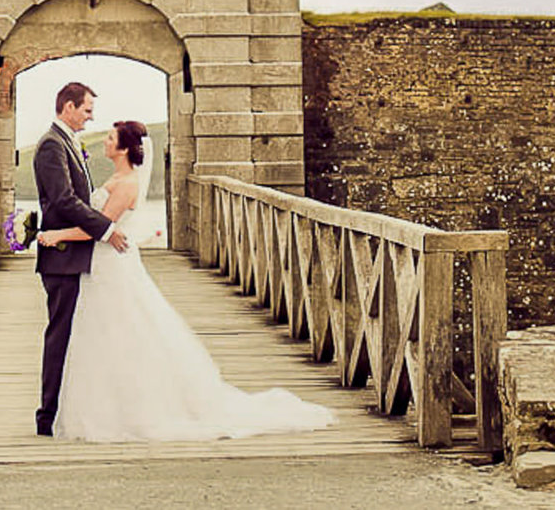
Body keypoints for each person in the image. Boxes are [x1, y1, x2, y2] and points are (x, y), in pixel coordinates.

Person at [40, 118, 335, 442]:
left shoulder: (126, 184)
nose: (105, 141)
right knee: (104, 336)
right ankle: (104, 403)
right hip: (101, 266)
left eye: (110, 138)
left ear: (124, 147)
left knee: (123, 335)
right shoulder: (117, 177)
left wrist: (55, 236)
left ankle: (129, 408)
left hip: (112, 266)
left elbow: (100, 228)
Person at [32, 81, 128, 437]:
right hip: (61, 258)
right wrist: (106, 228)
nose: (91, 118)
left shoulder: (65, 142)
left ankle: (64, 411)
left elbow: (77, 200)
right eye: (87, 110)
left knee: (73, 336)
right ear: (68, 107)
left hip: (73, 254)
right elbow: (63, 201)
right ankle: (47, 418)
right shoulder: (50, 146)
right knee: (59, 336)